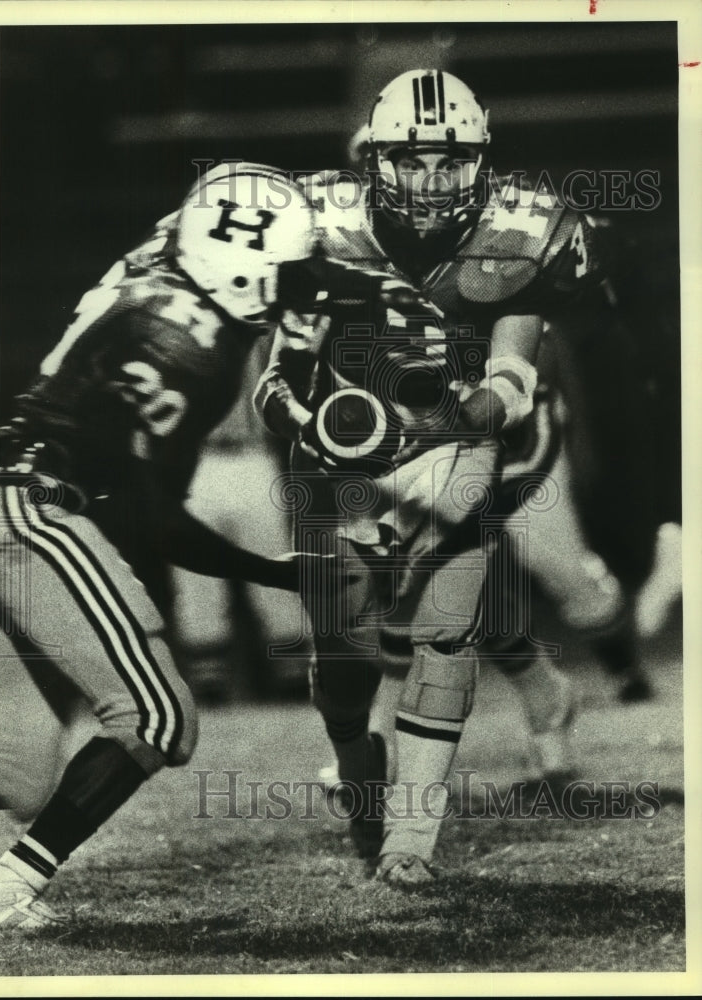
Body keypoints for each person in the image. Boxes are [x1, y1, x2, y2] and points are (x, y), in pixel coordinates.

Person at [254, 68, 648, 887]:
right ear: (373, 159)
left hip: (506, 438)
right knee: (413, 615)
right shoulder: (319, 224)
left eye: (451, 163)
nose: (432, 183)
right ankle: (529, 698)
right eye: (411, 161)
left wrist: (475, 408)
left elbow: (515, 369)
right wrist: (320, 425)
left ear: (482, 163)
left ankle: (594, 662)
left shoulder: (523, 230)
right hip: (380, 453)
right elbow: (277, 373)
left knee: (558, 581)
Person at [0, 161, 323, 931]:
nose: (297, 288)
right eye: (287, 272)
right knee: (158, 718)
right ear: (249, 275)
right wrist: (273, 572)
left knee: (17, 773)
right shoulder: (195, 353)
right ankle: (4, 893)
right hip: (33, 509)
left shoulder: (156, 266)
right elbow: (156, 518)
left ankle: (7, 880)